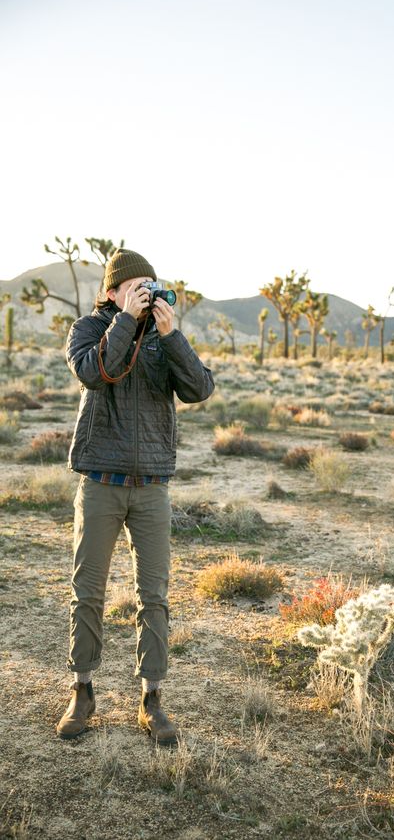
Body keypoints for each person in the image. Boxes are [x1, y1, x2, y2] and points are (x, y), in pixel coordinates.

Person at [56, 248, 214, 744]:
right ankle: (82, 690)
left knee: (155, 598)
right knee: (89, 593)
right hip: (101, 482)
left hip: (151, 488)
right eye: (136, 286)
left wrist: (172, 336)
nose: (146, 293)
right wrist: (124, 321)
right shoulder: (87, 328)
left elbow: (199, 388)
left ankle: (152, 698)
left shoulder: (161, 337)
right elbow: (93, 371)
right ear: (112, 292)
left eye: (151, 285)